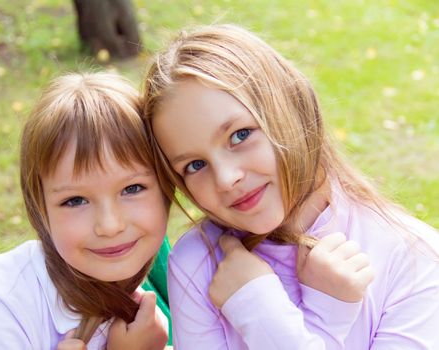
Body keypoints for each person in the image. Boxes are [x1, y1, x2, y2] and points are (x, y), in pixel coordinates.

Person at [142, 24, 439, 349]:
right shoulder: (197, 262)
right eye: (195, 166)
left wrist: (260, 310)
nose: (227, 179)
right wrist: (323, 315)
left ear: (292, 106)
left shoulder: (413, 257)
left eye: (240, 135)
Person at [0, 72, 172, 350]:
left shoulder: (170, 276)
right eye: (75, 201)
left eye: (132, 189)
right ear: (40, 209)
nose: (109, 225)